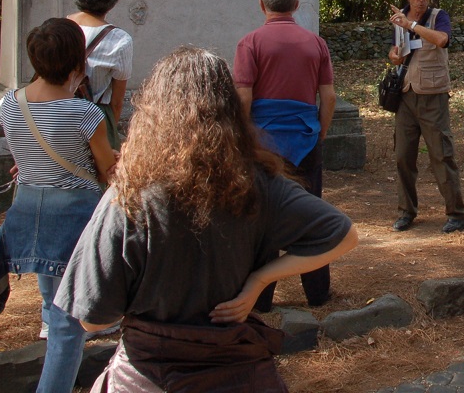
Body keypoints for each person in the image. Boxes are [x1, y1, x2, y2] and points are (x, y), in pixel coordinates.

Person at [57, 47, 358, 392]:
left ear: (152, 112)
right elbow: (344, 235)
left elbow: (93, 320)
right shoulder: (258, 184)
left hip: (145, 377)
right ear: (230, 108)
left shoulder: (129, 194)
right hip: (238, 374)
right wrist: (259, 280)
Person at [0, 18, 118, 393]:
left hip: (28, 209)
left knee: (52, 305)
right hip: (71, 215)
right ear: (78, 63)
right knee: (66, 323)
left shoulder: (10, 104)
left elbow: (26, 155)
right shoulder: (85, 114)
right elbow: (108, 169)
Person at [233, 0, 337, 309]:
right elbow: (329, 96)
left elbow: (243, 96)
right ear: (295, 5)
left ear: (262, 6)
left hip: (264, 144)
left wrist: (243, 138)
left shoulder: (250, 43)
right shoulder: (316, 43)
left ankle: (261, 300)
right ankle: (318, 295)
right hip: (306, 141)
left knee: (260, 218)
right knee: (311, 216)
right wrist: (320, 131)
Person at [386, 0, 464, 234]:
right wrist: (394, 55)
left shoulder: (438, 16)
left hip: (433, 95)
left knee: (441, 155)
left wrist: (411, 24)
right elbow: (395, 53)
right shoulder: (400, 19)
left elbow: (442, 40)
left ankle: (456, 214)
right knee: (403, 157)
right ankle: (406, 212)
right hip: (406, 95)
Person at [67, 0, 133, 149]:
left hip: (57, 114)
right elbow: (117, 102)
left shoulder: (56, 27)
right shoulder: (119, 40)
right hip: (97, 116)